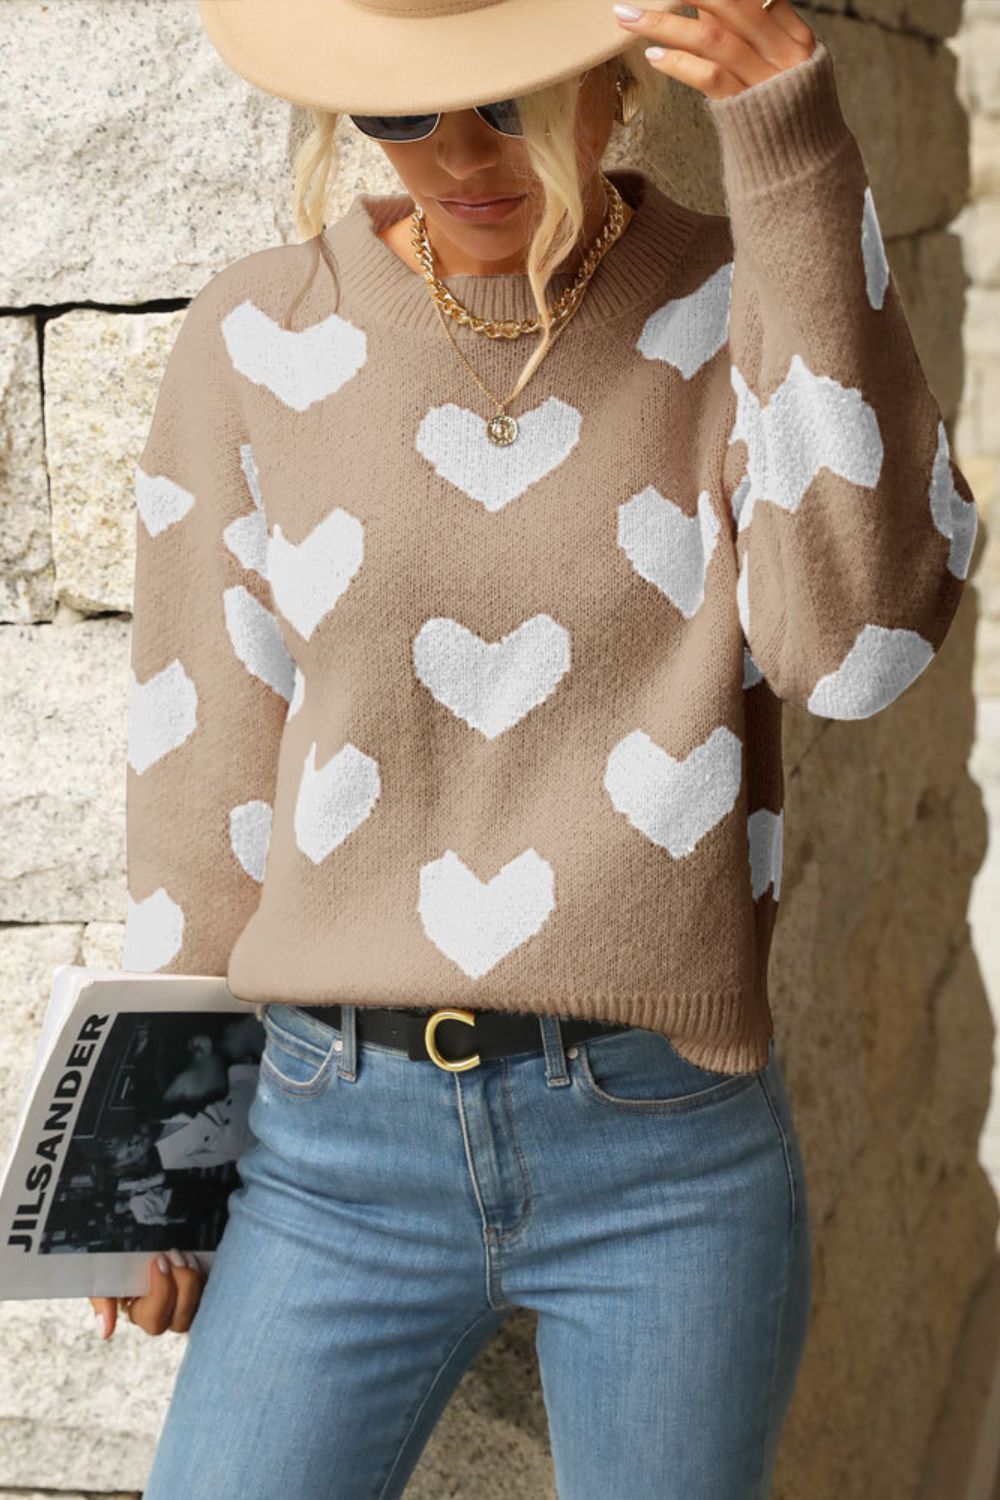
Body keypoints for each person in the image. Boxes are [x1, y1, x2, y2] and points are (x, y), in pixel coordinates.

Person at [90, 0, 979, 1495]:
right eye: (397, 116)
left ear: (607, 82)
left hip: (663, 1156)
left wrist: (798, 163)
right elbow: (202, 769)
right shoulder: (257, 338)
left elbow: (863, 650)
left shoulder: (740, 298)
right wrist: (154, 1150)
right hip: (327, 1153)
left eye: (505, 105)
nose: (455, 158)